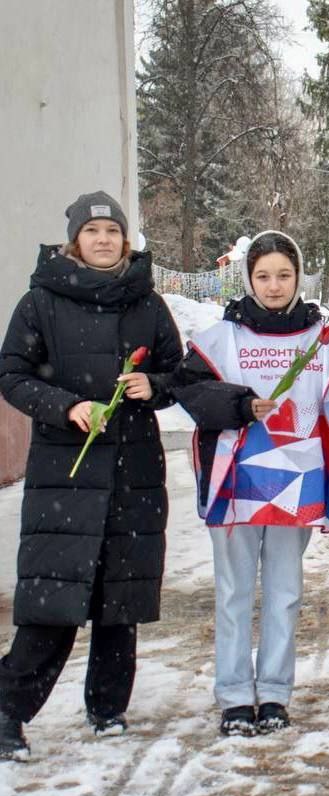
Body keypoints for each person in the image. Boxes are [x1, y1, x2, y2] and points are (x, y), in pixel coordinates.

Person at [0, 191, 183, 760]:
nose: (103, 240)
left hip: (133, 468)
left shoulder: (147, 302)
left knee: (119, 598)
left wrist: (153, 386)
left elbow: (177, 372)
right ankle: (7, 712)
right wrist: (67, 407)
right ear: (75, 240)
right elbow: (12, 375)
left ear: (125, 240)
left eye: (112, 231)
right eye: (92, 231)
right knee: (52, 602)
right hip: (66, 472)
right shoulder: (41, 301)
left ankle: (107, 707)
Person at [170, 230, 329, 736]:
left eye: (283, 275)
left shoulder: (325, 343)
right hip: (234, 483)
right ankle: (235, 696)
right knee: (233, 593)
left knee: (284, 592)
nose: (274, 286)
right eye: (263, 276)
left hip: (298, 484)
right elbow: (190, 393)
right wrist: (238, 405)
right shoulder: (220, 339)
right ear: (248, 279)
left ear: (298, 277)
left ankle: (275, 692)